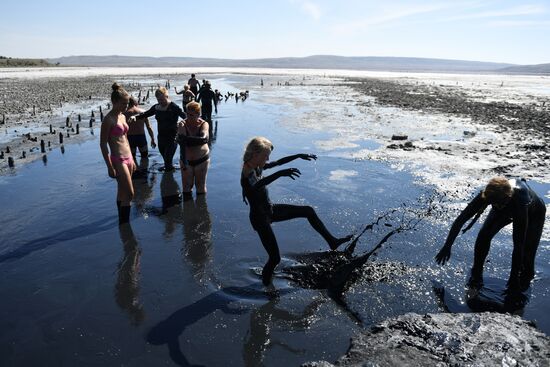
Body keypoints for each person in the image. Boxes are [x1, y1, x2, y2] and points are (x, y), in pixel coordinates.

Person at [241, 137, 353, 285]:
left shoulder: (257, 166)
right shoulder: (246, 172)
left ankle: (332, 241)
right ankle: (267, 288)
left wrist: (298, 155)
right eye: (265, 155)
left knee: (308, 211)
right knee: (275, 258)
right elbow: (258, 184)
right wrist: (280, 174)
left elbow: (278, 162)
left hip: (270, 210)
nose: (268, 158)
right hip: (260, 219)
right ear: (255, 154)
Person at [435, 177, 546, 291]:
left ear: (507, 197)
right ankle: (477, 271)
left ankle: (524, 282)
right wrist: (447, 246)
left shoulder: (520, 200)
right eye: (493, 204)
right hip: (507, 208)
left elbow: (518, 244)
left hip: (534, 214)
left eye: (499, 204)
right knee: (484, 235)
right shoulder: (488, 195)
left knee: (527, 255)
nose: (496, 206)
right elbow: (461, 219)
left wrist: (513, 278)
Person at [100, 83, 136, 225]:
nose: (126, 107)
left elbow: (125, 138)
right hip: (118, 159)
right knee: (130, 193)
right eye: (123, 104)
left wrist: (133, 158)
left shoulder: (122, 116)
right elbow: (103, 144)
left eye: (127, 104)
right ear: (114, 102)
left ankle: (122, 224)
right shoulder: (108, 120)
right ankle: (126, 226)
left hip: (129, 158)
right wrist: (109, 166)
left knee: (122, 192)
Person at [130, 87, 186, 172]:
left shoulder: (174, 107)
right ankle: (169, 171)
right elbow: (146, 114)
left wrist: (184, 123)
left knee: (167, 159)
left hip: (172, 138)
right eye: (158, 100)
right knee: (165, 158)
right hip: (161, 138)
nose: (160, 102)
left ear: (166, 96)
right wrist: (135, 117)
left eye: (162, 99)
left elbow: (185, 117)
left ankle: (168, 180)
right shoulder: (156, 107)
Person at [177, 101, 210, 197]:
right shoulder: (182, 124)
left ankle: (201, 210)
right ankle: (187, 210)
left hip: (202, 160)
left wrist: (185, 139)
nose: (188, 117)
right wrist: (183, 161)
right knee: (186, 187)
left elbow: (204, 139)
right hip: (186, 160)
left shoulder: (204, 124)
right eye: (187, 114)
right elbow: (182, 145)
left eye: (191, 115)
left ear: (198, 114)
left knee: (200, 187)